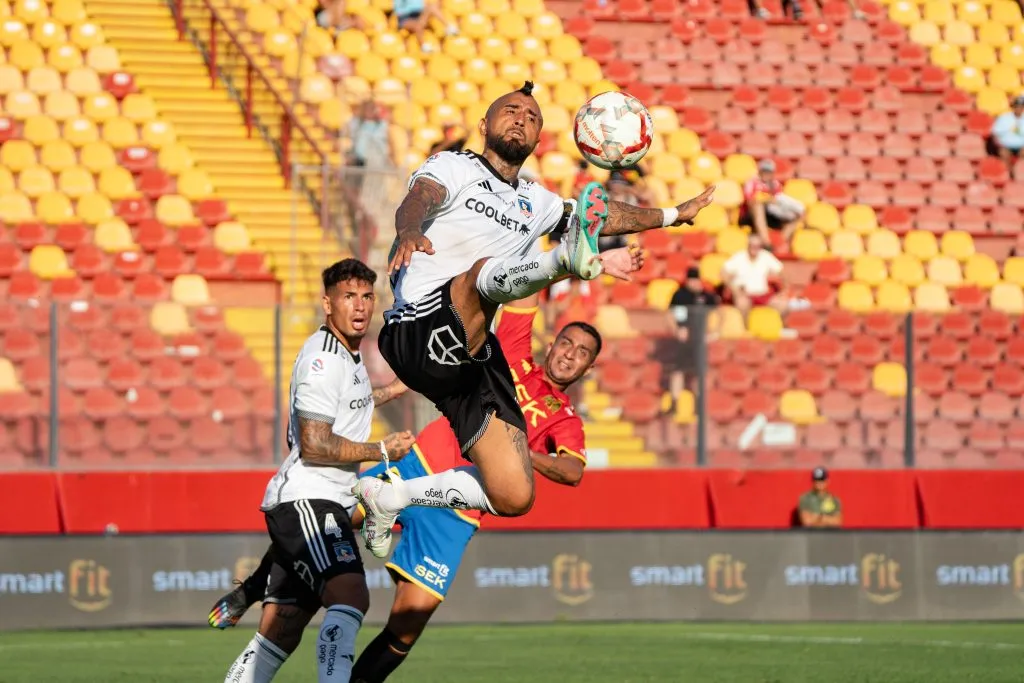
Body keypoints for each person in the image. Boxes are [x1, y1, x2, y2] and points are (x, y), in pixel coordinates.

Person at [353, 80, 715, 559]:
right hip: (417, 328)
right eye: (510, 110)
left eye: (532, 116)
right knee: (480, 273)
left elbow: (606, 216)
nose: (521, 118)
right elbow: (421, 196)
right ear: (484, 124)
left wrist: (671, 214)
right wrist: (408, 229)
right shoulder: (454, 166)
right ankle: (566, 260)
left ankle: (392, 496)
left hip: (472, 358)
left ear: (539, 139)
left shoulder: (537, 201)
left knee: (514, 494)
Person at [209, 276, 635, 681]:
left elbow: (573, 471)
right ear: (552, 343)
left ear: (589, 367)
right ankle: (251, 590)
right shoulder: (514, 354)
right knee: (326, 518)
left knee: (407, 627)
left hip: (457, 509)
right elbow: (524, 294)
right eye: (567, 343)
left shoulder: (566, 420)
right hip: (419, 463)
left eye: (582, 352)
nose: (570, 354)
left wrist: (517, 453)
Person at [220, 259, 415, 683]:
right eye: (349, 297)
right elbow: (314, 444)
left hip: (325, 499)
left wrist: (392, 390)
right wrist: (383, 449)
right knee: (350, 596)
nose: (360, 306)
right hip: (309, 500)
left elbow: (347, 402)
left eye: (367, 296)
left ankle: (250, 596)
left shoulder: (347, 354)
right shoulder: (323, 360)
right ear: (328, 304)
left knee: (282, 629)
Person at [658, 266, 721, 401]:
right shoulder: (680, 295)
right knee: (678, 370)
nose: (694, 283)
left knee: (699, 372)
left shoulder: (706, 296)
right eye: (691, 280)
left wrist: (715, 332)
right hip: (683, 340)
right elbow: (669, 315)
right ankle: (675, 402)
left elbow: (720, 313)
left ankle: (699, 402)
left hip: (699, 339)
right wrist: (676, 330)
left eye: (696, 280)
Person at [720, 232, 787, 319]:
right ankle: (744, 327)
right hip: (745, 294)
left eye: (757, 246)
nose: (754, 248)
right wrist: (735, 290)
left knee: (783, 305)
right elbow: (723, 273)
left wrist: (783, 291)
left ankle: (778, 326)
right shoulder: (739, 257)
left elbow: (782, 272)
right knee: (742, 303)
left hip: (762, 294)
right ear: (748, 245)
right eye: (752, 245)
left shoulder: (766, 256)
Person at [739, 159, 804, 245]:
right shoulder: (752, 182)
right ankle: (766, 242)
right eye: (764, 171)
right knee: (758, 206)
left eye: (769, 172)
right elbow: (750, 201)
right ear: (760, 171)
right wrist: (766, 200)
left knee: (797, 215)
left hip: (769, 213)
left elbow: (779, 200)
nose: (766, 174)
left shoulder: (775, 184)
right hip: (749, 214)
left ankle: (779, 243)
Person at [991, 95, 1024, 178]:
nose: (1019, 109)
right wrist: (999, 145)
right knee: (1004, 154)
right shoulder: (1004, 118)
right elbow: (995, 134)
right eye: (1017, 106)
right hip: (1005, 146)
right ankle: (1007, 175)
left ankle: (1019, 174)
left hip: (1021, 146)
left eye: (1021, 107)